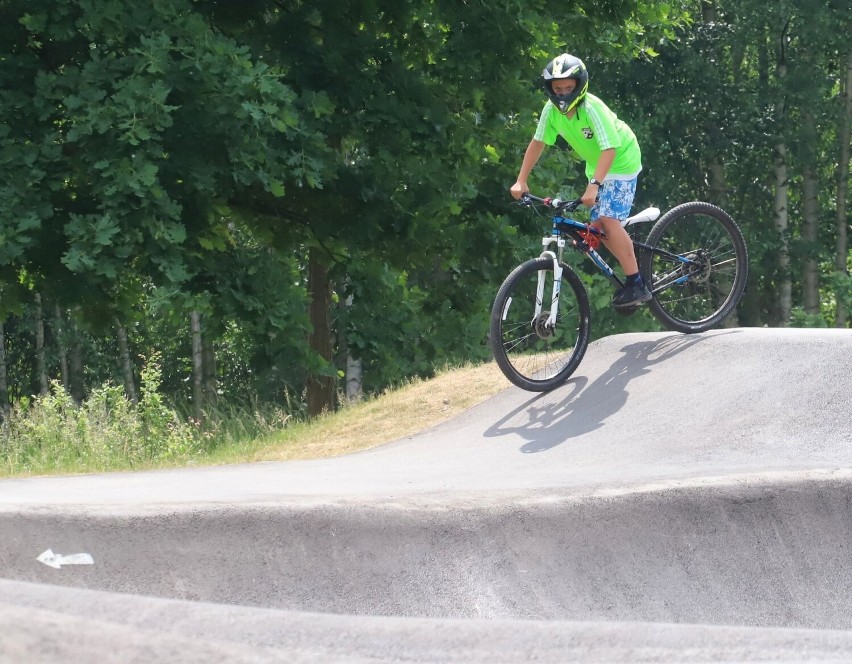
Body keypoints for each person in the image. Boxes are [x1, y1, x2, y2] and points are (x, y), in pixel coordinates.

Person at [510, 53, 651, 309]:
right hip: (596, 166)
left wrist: (594, 185)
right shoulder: (551, 111)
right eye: (557, 88)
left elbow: (610, 148)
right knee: (597, 229)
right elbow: (538, 142)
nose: (562, 94)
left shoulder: (591, 108)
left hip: (621, 160)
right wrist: (521, 181)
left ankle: (636, 283)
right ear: (550, 89)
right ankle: (629, 266)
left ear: (580, 84)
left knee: (607, 221)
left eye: (568, 88)